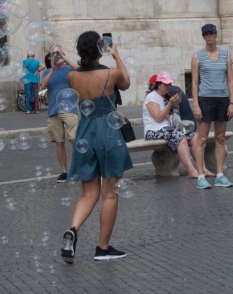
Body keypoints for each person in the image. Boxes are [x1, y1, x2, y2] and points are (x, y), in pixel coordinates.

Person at [61, 30, 132, 263]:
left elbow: (80, 78)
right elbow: (127, 83)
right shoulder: (111, 74)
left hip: (85, 132)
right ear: (101, 49)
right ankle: (102, 248)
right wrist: (116, 54)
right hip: (109, 132)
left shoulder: (72, 77)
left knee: (88, 193)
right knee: (109, 194)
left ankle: (73, 229)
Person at [191, 23, 233, 189]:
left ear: (216, 35)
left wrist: (232, 101)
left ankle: (219, 175)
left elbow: (230, 79)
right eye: (206, 34)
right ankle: (201, 175)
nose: (209, 37)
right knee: (201, 139)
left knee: (220, 138)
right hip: (205, 99)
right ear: (204, 37)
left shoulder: (226, 55)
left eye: (212, 34)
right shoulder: (197, 57)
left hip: (222, 99)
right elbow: (194, 83)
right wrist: (195, 104)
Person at [143, 72, 200, 178]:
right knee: (181, 137)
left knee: (194, 137)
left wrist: (176, 104)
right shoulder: (151, 98)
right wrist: (169, 104)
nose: (169, 86)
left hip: (168, 128)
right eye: (166, 84)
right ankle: (191, 170)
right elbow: (159, 118)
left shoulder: (165, 96)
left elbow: (173, 117)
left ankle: (202, 169)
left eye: (170, 84)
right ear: (159, 84)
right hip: (153, 131)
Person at [41, 45, 77, 182]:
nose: (56, 56)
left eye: (58, 54)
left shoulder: (70, 69)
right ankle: (64, 172)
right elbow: (43, 86)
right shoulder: (47, 72)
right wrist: (52, 69)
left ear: (63, 54)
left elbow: (80, 71)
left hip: (70, 109)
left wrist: (66, 60)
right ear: (50, 57)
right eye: (53, 54)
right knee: (59, 142)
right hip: (53, 110)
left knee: (74, 139)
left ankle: (79, 167)